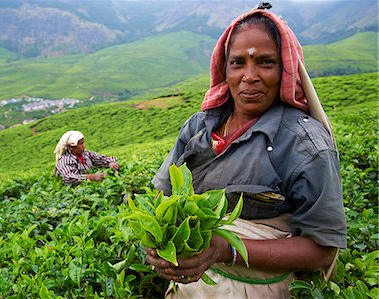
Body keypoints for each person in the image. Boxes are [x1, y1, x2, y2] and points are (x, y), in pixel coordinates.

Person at [147, 4, 347, 299]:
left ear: (285, 69)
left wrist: (226, 250)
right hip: (188, 286)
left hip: (257, 288)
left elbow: (322, 247)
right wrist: (156, 244)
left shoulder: (304, 144)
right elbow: (162, 199)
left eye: (266, 62)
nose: (249, 76)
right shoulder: (198, 128)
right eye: (237, 63)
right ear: (224, 68)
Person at [54, 130, 119, 185]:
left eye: (83, 143)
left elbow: (101, 159)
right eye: (81, 144)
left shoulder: (86, 154)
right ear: (71, 147)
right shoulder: (65, 160)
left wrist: (111, 162)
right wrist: (92, 177)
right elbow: (68, 178)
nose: (84, 146)